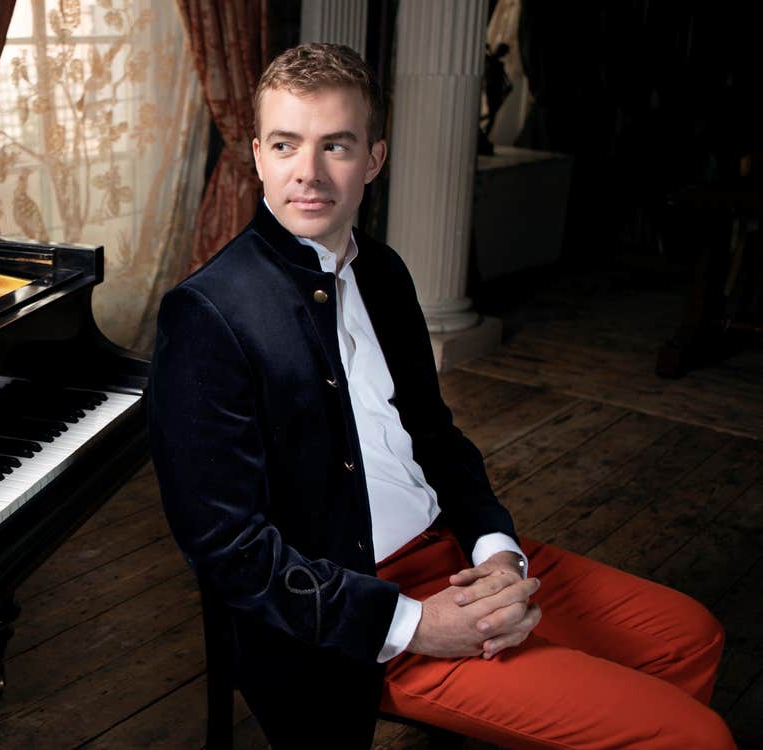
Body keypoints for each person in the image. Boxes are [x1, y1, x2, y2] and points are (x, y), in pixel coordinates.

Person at [147, 42, 734, 749]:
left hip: (453, 553)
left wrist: (496, 552)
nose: (308, 172)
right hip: (355, 613)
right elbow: (228, 549)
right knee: (693, 738)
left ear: (373, 158)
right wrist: (419, 624)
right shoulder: (207, 313)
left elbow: (438, 438)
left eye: (336, 145)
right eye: (285, 144)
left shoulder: (386, 272)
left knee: (689, 637)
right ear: (256, 154)